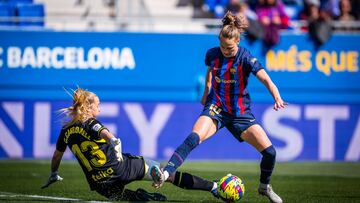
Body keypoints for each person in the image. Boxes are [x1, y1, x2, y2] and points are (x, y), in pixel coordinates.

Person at [153, 11, 287, 203]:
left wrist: (277, 96)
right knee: (194, 137)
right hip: (216, 107)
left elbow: (265, 78)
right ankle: (166, 173)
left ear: (238, 42)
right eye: (223, 46)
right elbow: (210, 71)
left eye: (230, 48)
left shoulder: (246, 58)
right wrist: (206, 91)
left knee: (270, 153)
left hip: (240, 113)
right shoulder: (212, 54)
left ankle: (264, 186)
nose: (226, 50)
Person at [41, 87, 219, 201]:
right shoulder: (91, 123)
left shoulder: (66, 130)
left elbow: (57, 155)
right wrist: (114, 142)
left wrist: (54, 173)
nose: (100, 109)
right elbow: (107, 134)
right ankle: (213, 187)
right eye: (98, 105)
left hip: (100, 183)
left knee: (124, 197)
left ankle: (142, 196)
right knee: (167, 173)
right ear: (88, 108)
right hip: (121, 168)